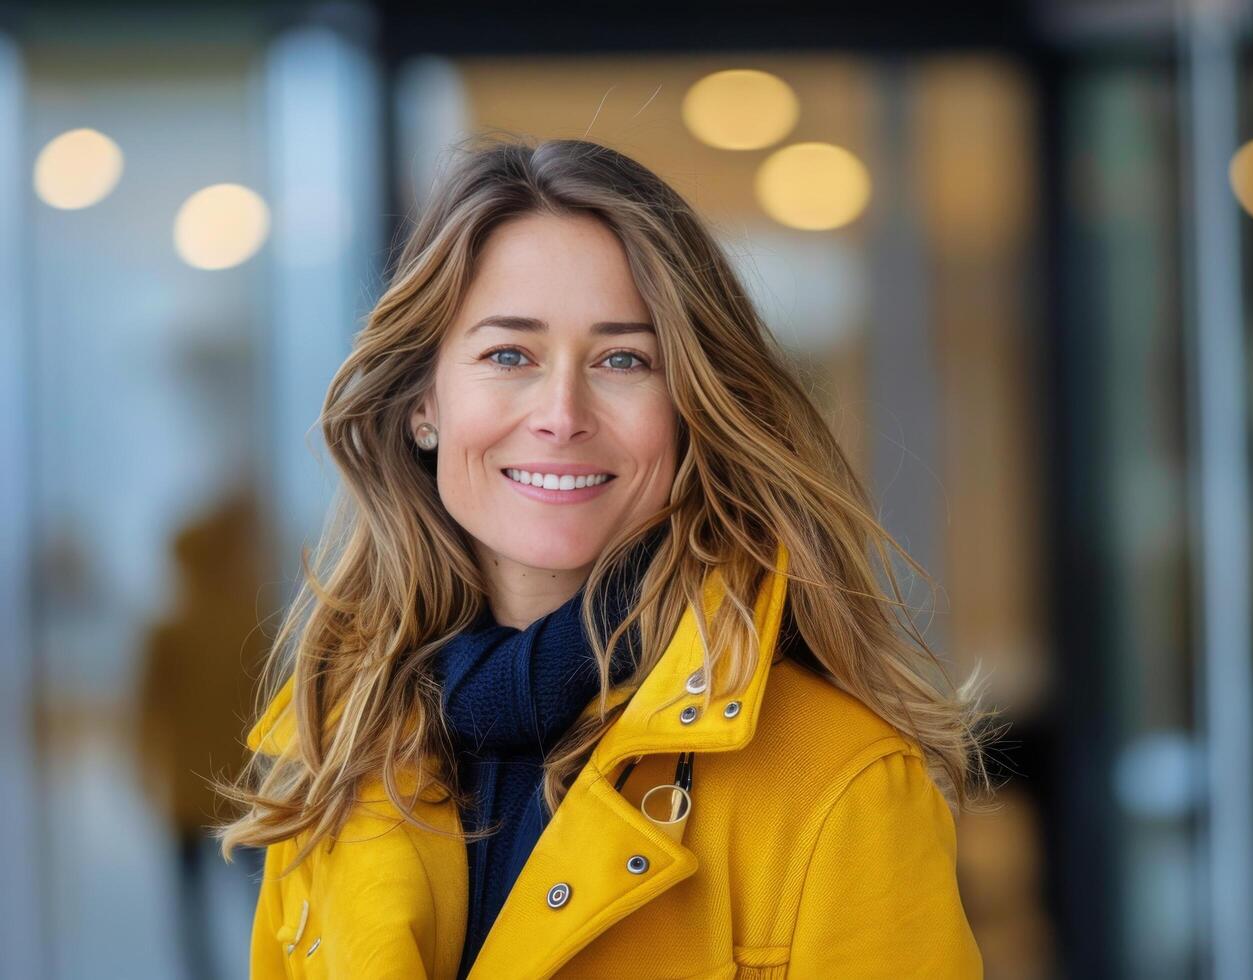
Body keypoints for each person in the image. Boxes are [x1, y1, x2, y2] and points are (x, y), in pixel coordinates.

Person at [214, 134, 996, 979]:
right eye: (508, 354)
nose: (561, 413)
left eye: (623, 359)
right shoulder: (341, 747)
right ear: (422, 407)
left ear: (693, 408)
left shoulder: (842, 781)